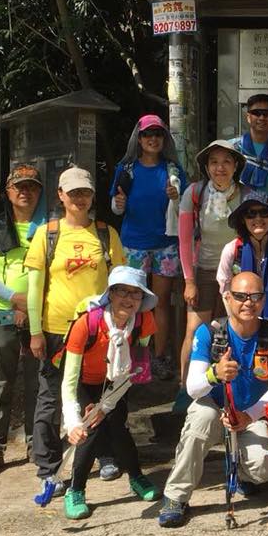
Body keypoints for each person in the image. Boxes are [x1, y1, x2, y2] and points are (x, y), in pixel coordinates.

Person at [158, 272, 268, 527]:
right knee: (199, 424)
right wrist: (214, 374)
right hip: (214, 407)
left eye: (255, 297)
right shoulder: (209, 332)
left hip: (251, 414)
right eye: (240, 296)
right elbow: (193, 388)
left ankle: (240, 474)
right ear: (227, 297)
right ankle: (176, 497)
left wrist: (249, 415)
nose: (248, 303)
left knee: (264, 468)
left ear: (263, 300)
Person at [25, 167, 126, 498]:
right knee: (51, 399)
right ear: (61, 195)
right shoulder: (47, 234)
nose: (80, 198)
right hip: (57, 331)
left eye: (85, 192)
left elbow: (120, 282)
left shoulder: (105, 233)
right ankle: (49, 467)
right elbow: (35, 286)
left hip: (98, 329)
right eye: (73, 193)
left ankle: (105, 454)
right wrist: (35, 331)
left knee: (101, 395)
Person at [60, 267, 161, 520]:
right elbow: (68, 381)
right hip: (84, 382)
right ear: (111, 294)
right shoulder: (86, 323)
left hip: (117, 381)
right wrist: (73, 423)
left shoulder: (143, 321)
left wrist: (105, 406)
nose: (128, 299)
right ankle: (75, 489)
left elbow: (136, 368)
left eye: (136, 294)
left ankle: (136, 477)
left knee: (118, 426)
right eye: (122, 291)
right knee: (89, 431)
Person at [0, 164, 46, 476]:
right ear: (8, 192)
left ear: (39, 191)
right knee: (1, 381)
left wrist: (32, 303)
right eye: (19, 186)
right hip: (2, 310)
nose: (25, 191)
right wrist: (14, 297)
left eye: (31, 186)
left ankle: (36, 442)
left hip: (40, 314)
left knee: (37, 380)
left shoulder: (49, 229)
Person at [110, 114, 189, 380]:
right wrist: (118, 205)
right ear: (139, 138)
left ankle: (159, 357)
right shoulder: (126, 169)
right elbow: (116, 205)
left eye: (157, 134)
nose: (152, 139)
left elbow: (188, 207)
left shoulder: (174, 170)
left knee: (161, 302)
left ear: (164, 138)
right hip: (133, 243)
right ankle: (128, 355)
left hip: (166, 244)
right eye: (147, 134)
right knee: (130, 302)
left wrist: (177, 197)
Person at [177, 140, 249, 391]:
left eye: (227, 161)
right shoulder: (195, 193)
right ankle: (186, 388)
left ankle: (229, 387)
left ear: (236, 166)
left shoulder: (247, 195)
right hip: (204, 270)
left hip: (237, 272)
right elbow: (184, 240)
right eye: (214, 162)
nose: (220, 168)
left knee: (234, 329)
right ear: (206, 167)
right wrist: (189, 281)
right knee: (195, 330)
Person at [217, 191, 268, 325]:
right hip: (239, 318)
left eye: (264, 213)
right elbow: (226, 292)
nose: (258, 219)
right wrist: (237, 324)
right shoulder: (232, 250)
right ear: (243, 219)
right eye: (251, 214)